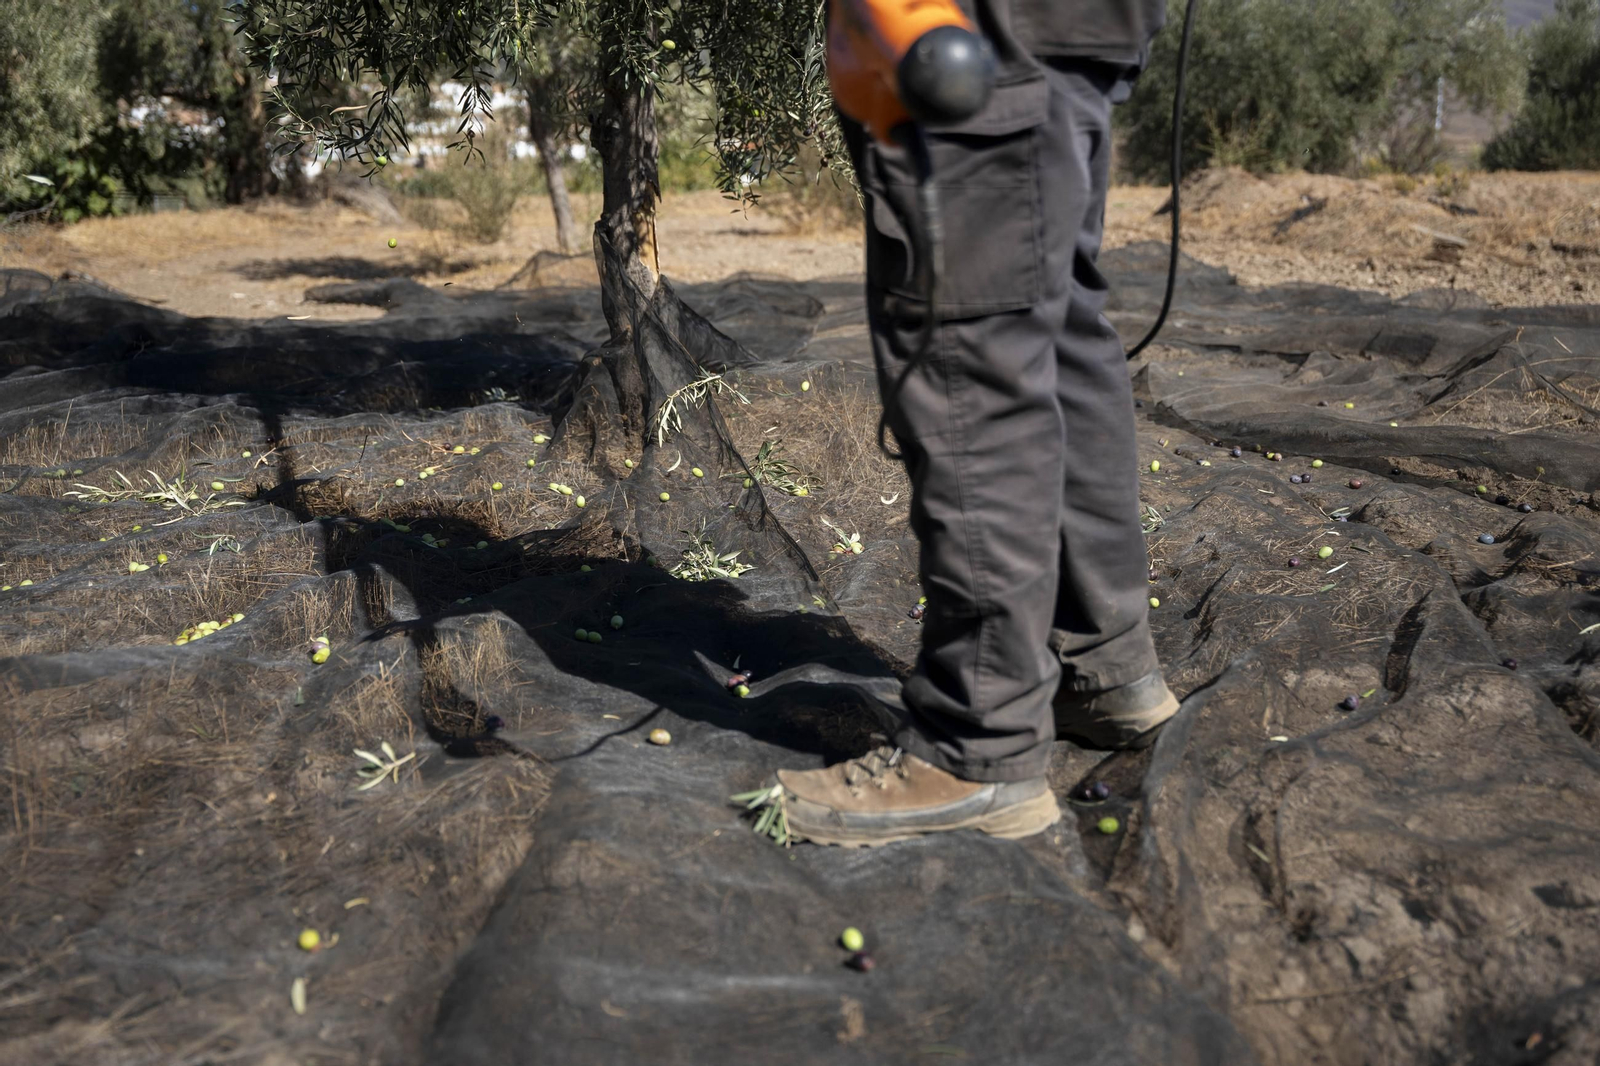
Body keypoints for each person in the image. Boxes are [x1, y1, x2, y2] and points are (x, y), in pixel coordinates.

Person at [771, 0, 1178, 847]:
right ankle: (1102, 669)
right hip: (1074, 28)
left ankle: (978, 748)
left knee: (971, 356)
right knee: (1056, 328)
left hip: (973, 32)